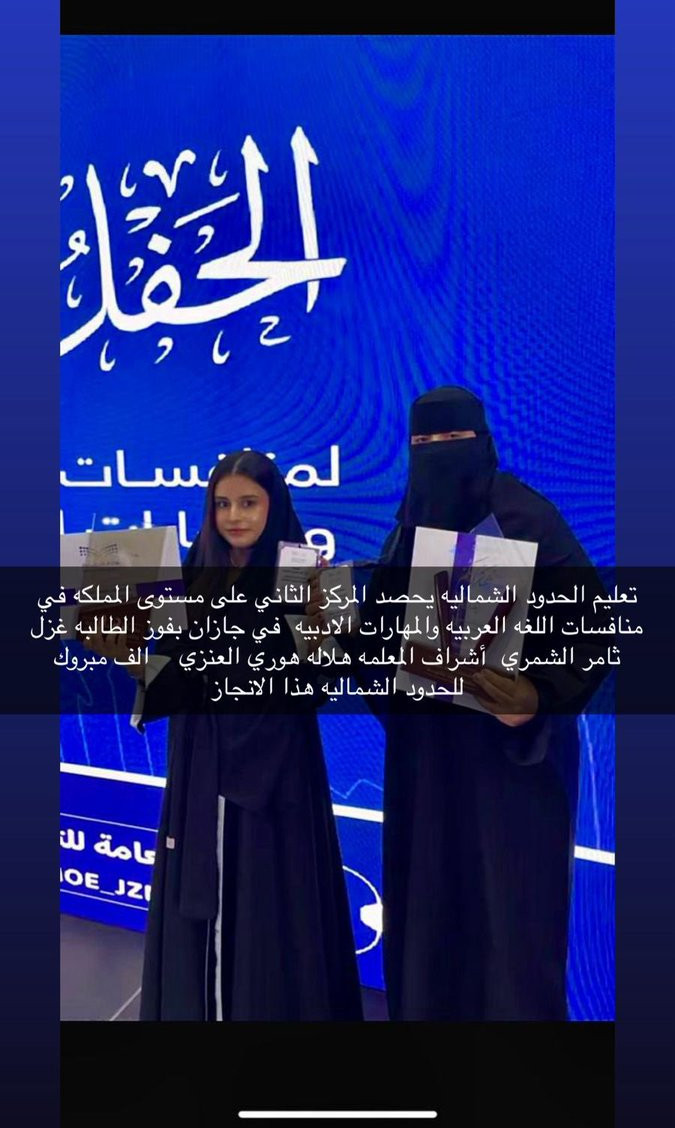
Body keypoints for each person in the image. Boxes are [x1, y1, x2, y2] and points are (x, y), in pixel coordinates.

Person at [309, 386, 607, 1021]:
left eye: (452, 440)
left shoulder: (527, 519)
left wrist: (538, 697)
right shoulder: (406, 532)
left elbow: (593, 630)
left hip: (510, 774)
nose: (438, 454)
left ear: (483, 442)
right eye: (423, 442)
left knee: (510, 928)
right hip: (426, 769)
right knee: (430, 922)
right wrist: (336, 618)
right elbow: (382, 649)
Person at [85, 450, 363, 1021]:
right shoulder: (193, 576)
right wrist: (131, 658)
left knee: (274, 904)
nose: (234, 516)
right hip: (202, 765)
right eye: (222, 504)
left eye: (249, 503)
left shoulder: (313, 574)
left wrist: (330, 631)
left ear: (274, 505)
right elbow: (170, 673)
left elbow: (325, 679)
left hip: (278, 773)